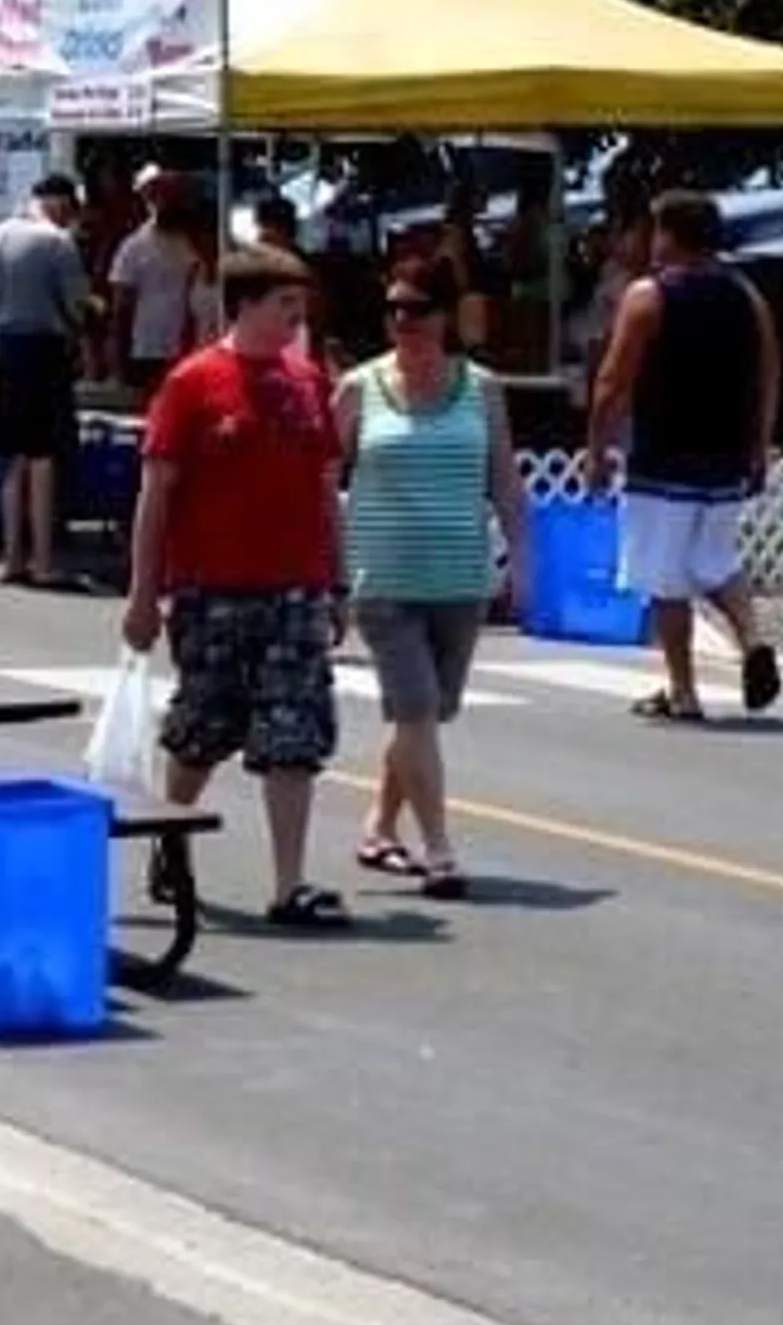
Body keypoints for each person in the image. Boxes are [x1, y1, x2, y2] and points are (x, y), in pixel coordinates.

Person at [124, 247, 351, 930]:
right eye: (285, 305)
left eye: (300, 306)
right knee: (202, 728)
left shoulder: (308, 381)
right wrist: (142, 592)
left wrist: (337, 580)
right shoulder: (195, 382)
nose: (296, 318)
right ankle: (172, 838)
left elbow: (325, 488)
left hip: (296, 587)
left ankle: (289, 884)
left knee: (295, 733)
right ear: (246, 304)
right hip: (212, 587)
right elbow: (156, 492)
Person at [336, 260, 526, 902]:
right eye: (393, 309)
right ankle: (439, 849)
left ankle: (380, 824)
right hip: (383, 578)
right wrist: (326, 572)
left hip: (459, 577)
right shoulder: (359, 389)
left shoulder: (483, 389)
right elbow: (322, 483)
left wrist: (522, 560)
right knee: (414, 708)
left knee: (428, 715)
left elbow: (503, 476)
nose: (402, 322)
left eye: (416, 309)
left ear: (445, 316)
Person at [589, 189, 783, 723]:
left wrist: (597, 448)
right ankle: (752, 638)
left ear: (669, 235)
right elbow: (768, 375)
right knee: (717, 562)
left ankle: (683, 690)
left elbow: (612, 381)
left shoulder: (648, 297)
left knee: (665, 577)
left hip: (662, 457)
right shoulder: (747, 297)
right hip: (725, 459)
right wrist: (758, 447)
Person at [0, 175, 95, 587]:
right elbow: (78, 306)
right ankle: (43, 559)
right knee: (44, 456)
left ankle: (12, 557)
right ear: (62, 203)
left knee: (13, 456)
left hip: (6, 347)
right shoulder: (58, 242)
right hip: (44, 349)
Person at [108, 173, 203, 392]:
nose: (170, 204)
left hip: (190, 344)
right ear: (150, 203)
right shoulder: (134, 247)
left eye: (175, 198)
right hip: (148, 348)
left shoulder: (196, 242)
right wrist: (120, 357)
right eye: (162, 199)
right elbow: (121, 305)